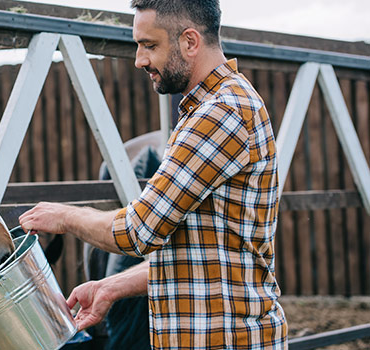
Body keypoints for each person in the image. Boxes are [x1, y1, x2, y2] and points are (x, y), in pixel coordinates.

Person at [18, 0, 285, 348]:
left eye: (150, 45)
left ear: (190, 42)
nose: (139, 60)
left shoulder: (221, 113)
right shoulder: (211, 109)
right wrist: (110, 286)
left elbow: (138, 230)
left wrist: (65, 216)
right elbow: (199, 252)